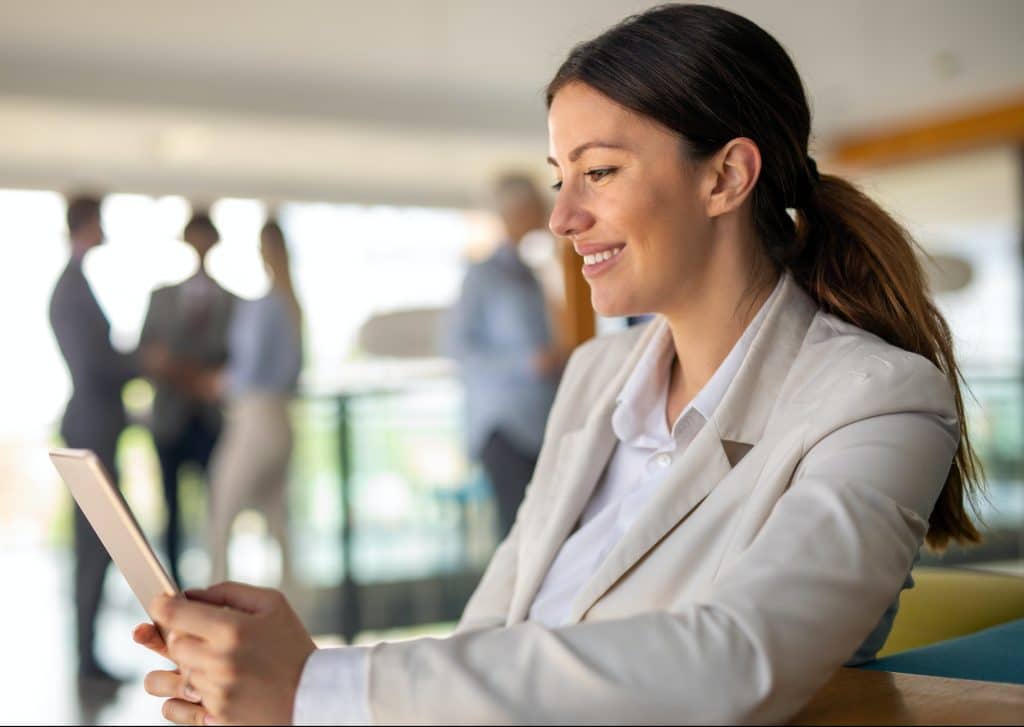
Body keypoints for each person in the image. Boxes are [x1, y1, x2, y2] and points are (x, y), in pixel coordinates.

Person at [134, 5, 983, 724]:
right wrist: (280, 683)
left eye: (599, 171)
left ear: (727, 176)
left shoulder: (878, 401)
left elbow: (738, 656)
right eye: (559, 178)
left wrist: (318, 687)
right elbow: (490, 636)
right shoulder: (595, 379)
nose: (562, 218)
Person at [49, 194, 139, 683]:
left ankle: (89, 657)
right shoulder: (71, 288)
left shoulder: (75, 285)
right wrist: (144, 361)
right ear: (86, 224)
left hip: (95, 426)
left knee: (96, 546)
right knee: (94, 545)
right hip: (92, 428)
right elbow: (97, 364)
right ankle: (86, 660)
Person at [445, 173, 564, 538]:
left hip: (541, 424)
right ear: (517, 212)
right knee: (516, 534)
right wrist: (528, 362)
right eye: (539, 207)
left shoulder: (532, 274)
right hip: (504, 428)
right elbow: (457, 347)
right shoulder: (482, 276)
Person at [139, 212, 235, 586]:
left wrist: (178, 369)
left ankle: (217, 584)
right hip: (169, 420)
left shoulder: (230, 301)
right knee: (171, 510)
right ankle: (172, 587)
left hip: (210, 421)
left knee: (218, 507)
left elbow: (232, 364)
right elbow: (147, 356)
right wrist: (189, 374)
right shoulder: (161, 297)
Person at [205, 219, 303, 586]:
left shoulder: (266, 306)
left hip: (255, 417)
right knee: (278, 523)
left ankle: (216, 598)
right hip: (282, 419)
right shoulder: (292, 305)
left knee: (222, 511)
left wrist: (217, 382)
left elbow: (249, 365)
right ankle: (293, 606)